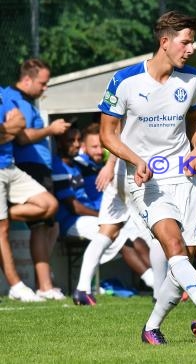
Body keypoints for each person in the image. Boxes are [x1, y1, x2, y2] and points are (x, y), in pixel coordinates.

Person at [99, 10, 196, 345]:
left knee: (180, 257)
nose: (191, 49)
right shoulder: (125, 81)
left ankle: (151, 327)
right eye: (186, 42)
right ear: (165, 42)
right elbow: (107, 135)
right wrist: (135, 160)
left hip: (185, 180)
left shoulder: (192, 80)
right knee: (173, 245)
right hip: (145, 181)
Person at [3, 58, 70, 300]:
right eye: (43, 83)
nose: (45, 88)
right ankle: (41, 285)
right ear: (28, 79)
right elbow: (20, 136)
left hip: (40, 167)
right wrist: (50, 130)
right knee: (42, 223)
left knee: (44, 225)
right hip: (27, 166)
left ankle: (44, 286)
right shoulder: (11, 98)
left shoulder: (27, 102)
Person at [70, 126, 155, 305]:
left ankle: (82, 289)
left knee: (112, 232)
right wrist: (110, 165)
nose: (99, 150)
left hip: (123, 170)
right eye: (94, 146)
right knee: (153, 230)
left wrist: (109, 165)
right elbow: (117, 133)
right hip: (131, 169)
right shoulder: (78, 164)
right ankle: (162, 286)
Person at [0, 88, 58, 302]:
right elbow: (15, 131)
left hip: (11, 167)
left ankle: (4, 214)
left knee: (48, 205)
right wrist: (9, 129)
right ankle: (16, 286)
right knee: (2, 228)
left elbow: (21, 123)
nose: (45, 87)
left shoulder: (4, 94)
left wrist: (5, 130)